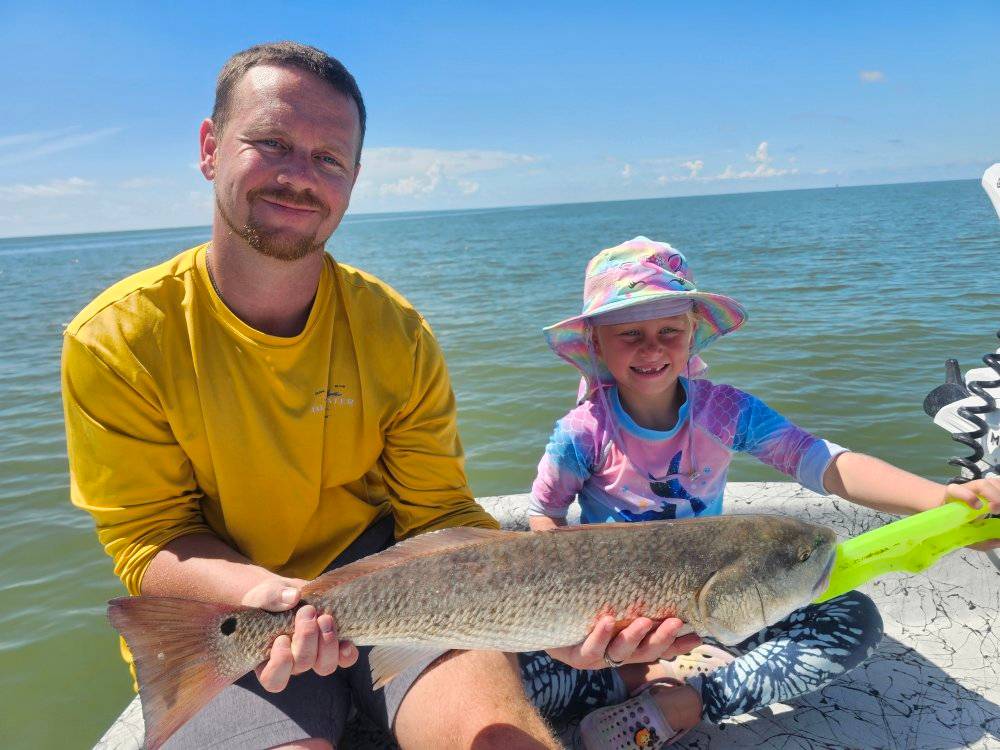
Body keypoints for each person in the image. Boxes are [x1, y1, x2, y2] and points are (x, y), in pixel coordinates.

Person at [62, 41, 578, 750]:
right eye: (270, 143)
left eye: (328, 158)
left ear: (354, 178)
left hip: (403, 591)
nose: (298, 176)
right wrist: (263, 597)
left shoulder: (396, 332)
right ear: (210, 147)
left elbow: (439, 513)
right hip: (230, 616)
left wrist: (555, 619)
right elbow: (148, 539)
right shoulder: (116, 339)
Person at [523, 236, 1000, 749]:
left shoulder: (725, 411)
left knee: (852, 619)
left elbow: (823, 461)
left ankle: (685, 703)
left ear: (691, 334)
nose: (652, 347)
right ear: (596, 342)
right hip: (613, 631)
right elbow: (544, 523)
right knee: (506, 672)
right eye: (629, 333)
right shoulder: (582, 431)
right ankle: (634, 677)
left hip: (717, 609)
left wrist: (938, 499)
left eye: (669, 330)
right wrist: (584, 641)